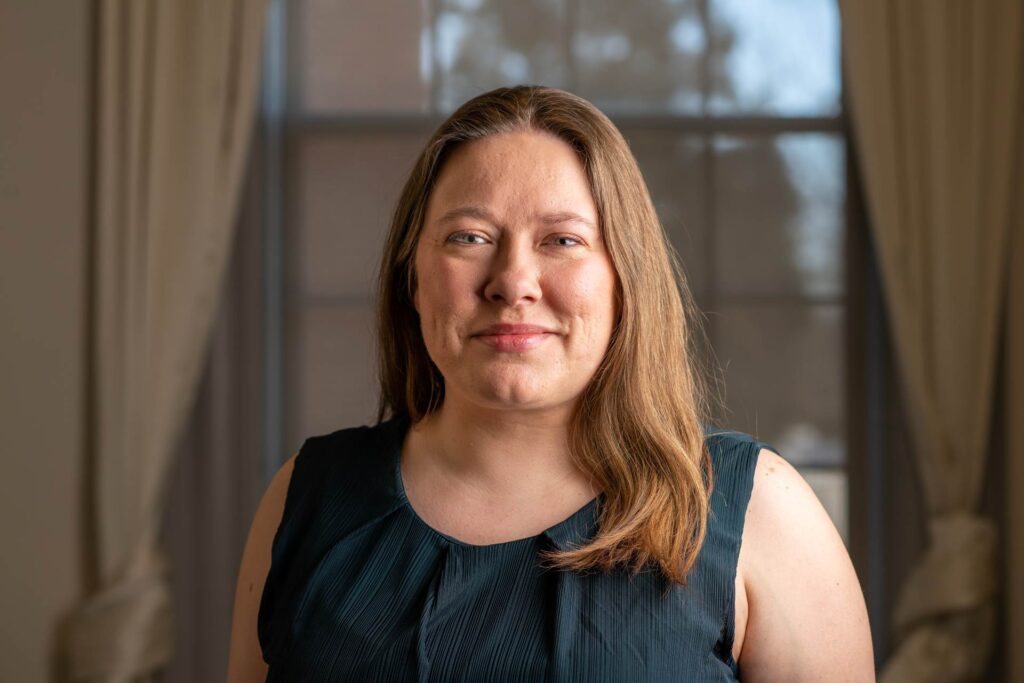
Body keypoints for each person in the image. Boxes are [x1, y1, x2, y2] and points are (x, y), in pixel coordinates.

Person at [227, 85, 874, 681]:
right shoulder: (303, 501)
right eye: (469, 236)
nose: (513, 280)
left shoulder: (761, 513)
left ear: (624, 279)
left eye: (562, 240)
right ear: (412, 277)